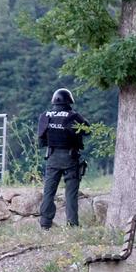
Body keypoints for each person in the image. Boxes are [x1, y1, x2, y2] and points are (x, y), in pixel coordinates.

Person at [37, 88, 89, 230]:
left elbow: (41, 141)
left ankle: (45, 224)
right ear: (69, 100)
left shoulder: (45, 116)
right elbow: (87, 130)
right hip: (70, 158)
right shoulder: (73, 116)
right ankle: (72, 225)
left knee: (49, 192)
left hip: (52, 158)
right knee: (71, 193)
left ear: (54, 101)